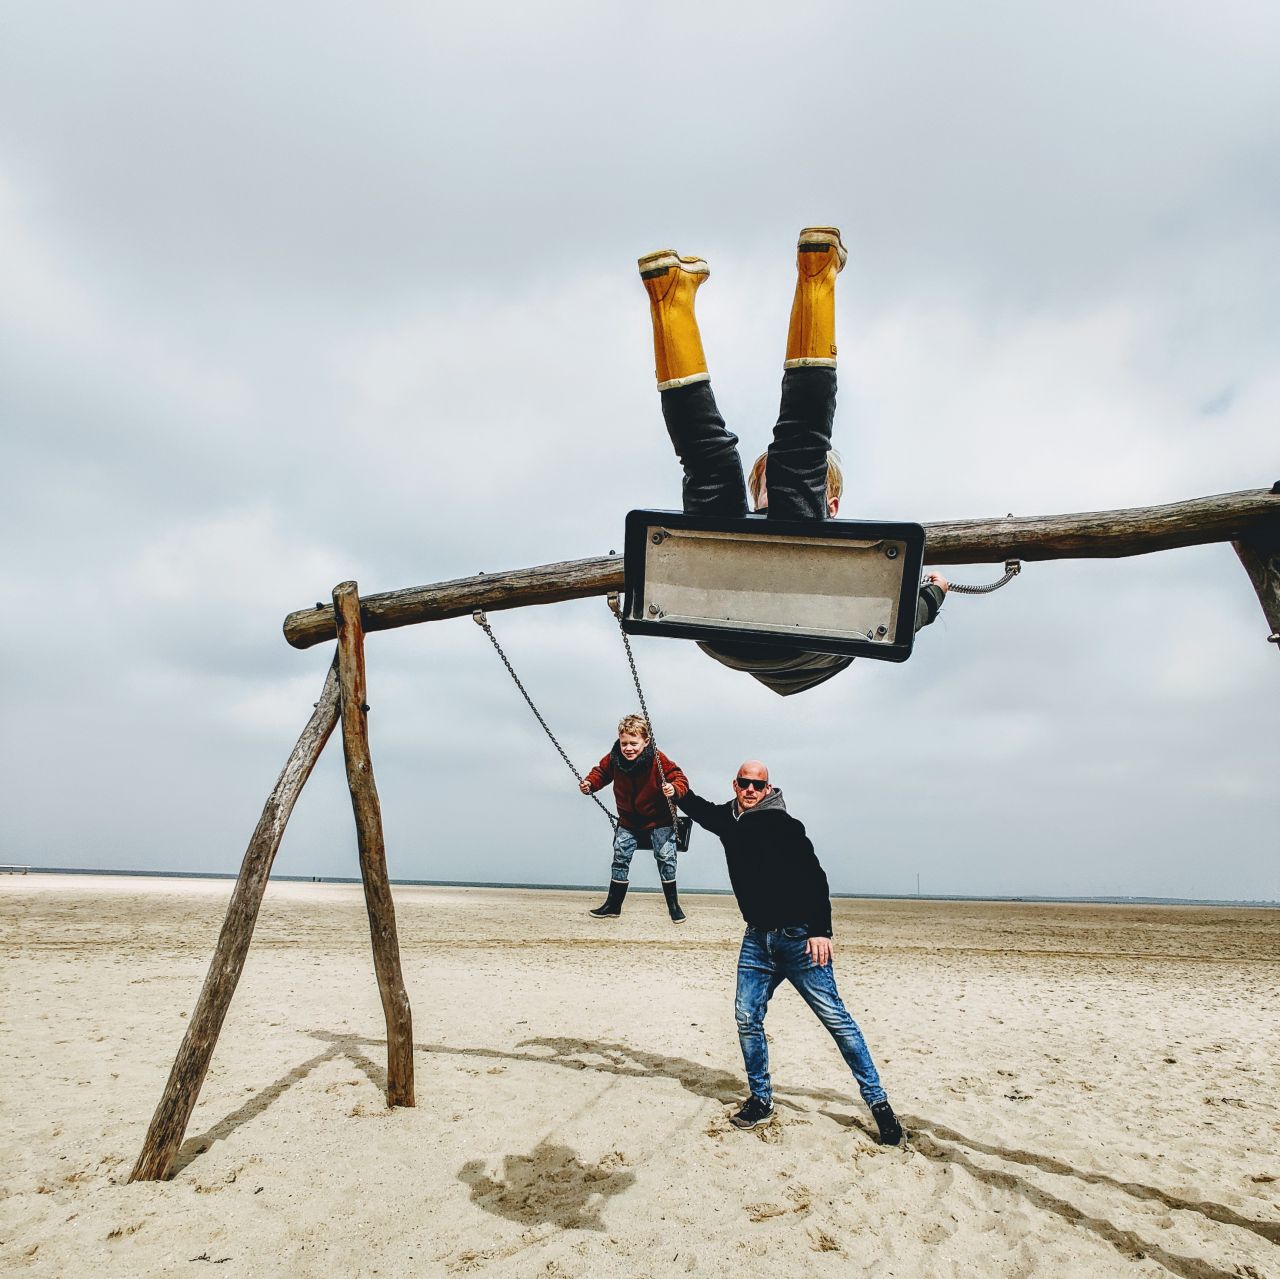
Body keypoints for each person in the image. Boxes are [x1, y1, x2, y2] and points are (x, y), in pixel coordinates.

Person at [638, 227, 949, 696]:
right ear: (836, 505)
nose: (768, 492)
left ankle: (674, 298)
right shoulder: (832, 560)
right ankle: (680, 296)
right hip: (775, 639)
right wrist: (934, 592)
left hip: (722, 625)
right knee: (728, 458)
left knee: (713, 460)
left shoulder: (748, 528)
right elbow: (908, 616)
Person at [675, 758, 903, 1146]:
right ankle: (761, 1101)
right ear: (735, 784)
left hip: (799, 940)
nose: (750, 790)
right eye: (744, 783)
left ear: (768, 789)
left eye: (758, 785)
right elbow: (695, 805)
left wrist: (821, 930)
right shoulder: (729, 819)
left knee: (836, 1020)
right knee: (747, 1016)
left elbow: (815, 877)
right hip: (757, 941)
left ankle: (879, 1105)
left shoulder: (784, 824)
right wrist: (671, 786)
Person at [580, 714, 690, 922]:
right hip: (629, 819)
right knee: (620, 857)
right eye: (624, 743)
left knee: (666, 857)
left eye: (633, 743)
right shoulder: (614, 758)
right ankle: (613, 905)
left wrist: (673, 788)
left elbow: (679, 777)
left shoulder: (657, 759)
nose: (628, 748)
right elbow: (601, 773)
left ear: (646, 742)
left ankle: (673, 906)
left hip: (660, 819)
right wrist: (590, 784)